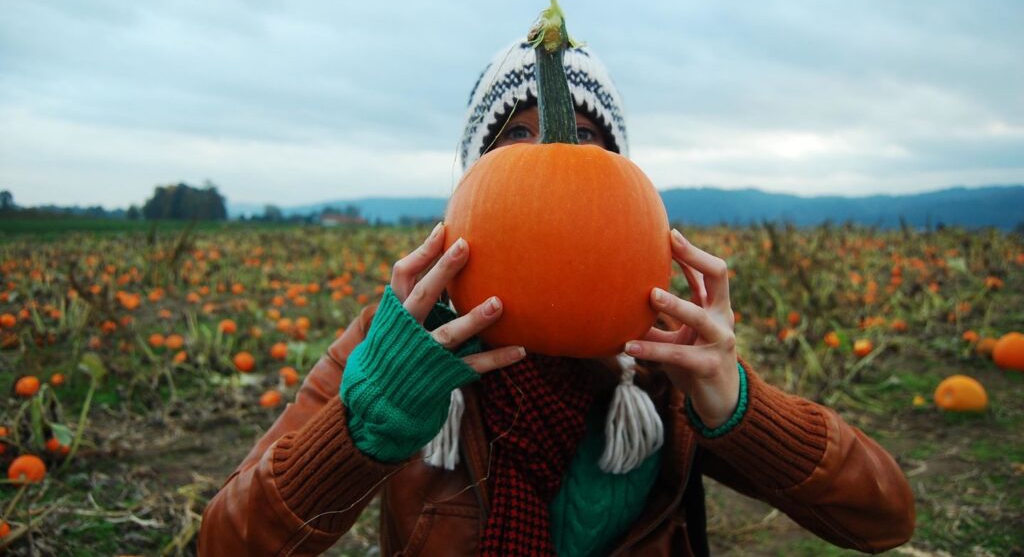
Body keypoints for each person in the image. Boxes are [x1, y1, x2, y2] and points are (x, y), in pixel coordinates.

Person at [199, 36, 915, 556]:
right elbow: (223, 546)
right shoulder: (394, 343)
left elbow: (885, 521)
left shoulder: (662, 356)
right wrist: (364, 424)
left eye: (588, 142)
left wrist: (738, 405)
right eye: (515, 138)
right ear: (472, 188)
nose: (555, 168)